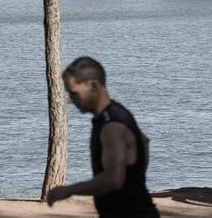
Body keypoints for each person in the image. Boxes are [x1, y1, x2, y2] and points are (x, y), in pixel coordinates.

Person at [46, 57, 159, 218]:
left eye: (74, 93)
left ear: (93, 86)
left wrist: (68, 190)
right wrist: (136, 177)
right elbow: (144, 142)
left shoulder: (111, 125)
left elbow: (113, 179)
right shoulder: (116, 112)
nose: (71, 101)